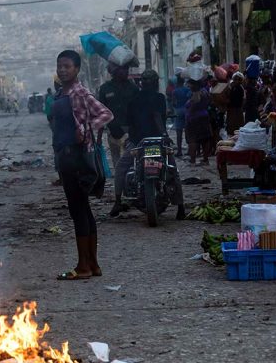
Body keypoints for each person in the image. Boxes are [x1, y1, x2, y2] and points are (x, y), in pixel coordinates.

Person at [52, 50, 113, 281]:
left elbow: (106, 114)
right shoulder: (61, 93)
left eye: (67, 66)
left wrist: (86, 129)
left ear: (76, 69)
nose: (62, 70)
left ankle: (83, 266)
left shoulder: (79, 92)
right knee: (83, 210)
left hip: (77, 158)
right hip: (66, 158)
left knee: (79, 211)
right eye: (60, 66)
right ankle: (93, 264)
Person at [110, 69, 186, 219]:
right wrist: (164, 134)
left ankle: (118, 201)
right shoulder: (159, 98)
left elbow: (128, 122)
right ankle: (180, 206)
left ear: (141, 83)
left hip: (139, 143)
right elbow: (157, 116)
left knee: (121, 168)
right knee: (172, 171)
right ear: (156, 83)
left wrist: (127, 136)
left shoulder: (134, 99)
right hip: (158, 141)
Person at [97, 62, 137, 172]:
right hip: (113, 132)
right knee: (117, 164)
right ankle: (121, 187)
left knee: (130, 163)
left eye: (127, 69)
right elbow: (101, 113)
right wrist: (99, 137)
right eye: (122, 69)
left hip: (130, 131)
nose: (126, 72)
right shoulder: (105, 89)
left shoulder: (133, 88)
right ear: (114, 72)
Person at [184, 78, 213, 166]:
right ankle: (205, 159)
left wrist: (190, 112)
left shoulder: (197, 93)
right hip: (204, 116)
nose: (189, 87)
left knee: (192, 139)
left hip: (194, 119)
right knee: (205, 138)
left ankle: (193, 160)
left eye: (190, 85)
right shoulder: (204, 91)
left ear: (195, 85)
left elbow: (193, 106)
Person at [172, 76, 191, 156]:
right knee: (188, 131)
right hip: (187, 110)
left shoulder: (175, 91)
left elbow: (173, 102)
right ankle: (190, 149)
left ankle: (179, 151)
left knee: (179, 132)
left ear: (177, 82)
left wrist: (175, 107)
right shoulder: (187, 90)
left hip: (178, 111)